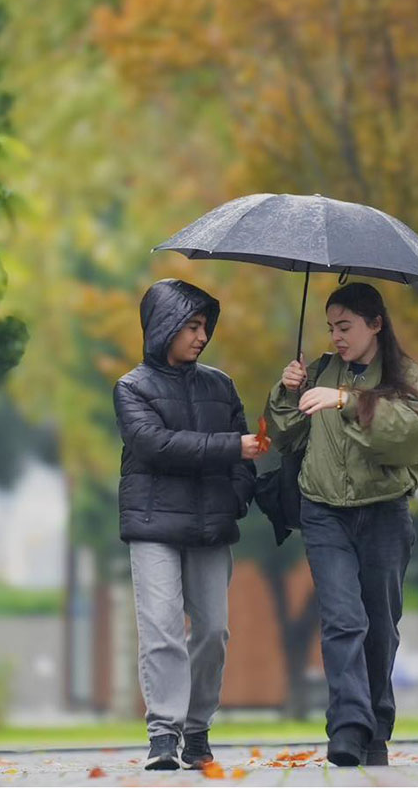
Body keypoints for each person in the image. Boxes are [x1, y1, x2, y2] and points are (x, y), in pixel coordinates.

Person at [266, 282, 418, 767]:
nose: (336, 337)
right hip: (323, 512)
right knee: (343, 620)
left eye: (345, 327)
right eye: (331, 328)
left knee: (380, 626)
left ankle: (375, 729)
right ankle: (347, 726)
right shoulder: (319, 370)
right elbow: (282, 434)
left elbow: (413, 439)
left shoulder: (406, 377)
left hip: (384, 513)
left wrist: (347, 400)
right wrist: (289, 391)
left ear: (375, 324)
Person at [113, 279, 260, 770]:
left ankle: (197, 729)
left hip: (210, 526)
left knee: (214, 631)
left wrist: (237, 495)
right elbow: (155, 445)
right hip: (154, 525)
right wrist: (231, 449)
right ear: (164, 327)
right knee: (161, 629)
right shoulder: (131, 388)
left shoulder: (221, 385)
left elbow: (246, 456)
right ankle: (163, 734)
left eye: (204, 327)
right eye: (192, 326)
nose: (201, 336)